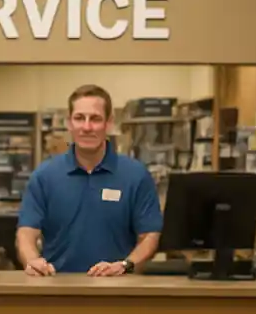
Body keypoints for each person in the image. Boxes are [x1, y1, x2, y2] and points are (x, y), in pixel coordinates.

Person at [16, 85, 163, 276]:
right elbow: (26, 234)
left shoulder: (136, 175)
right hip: (57, 291)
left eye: (95, 119)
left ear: (109, 123)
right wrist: (33, 261)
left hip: (118, 292)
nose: (86, 127)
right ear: (69, 123)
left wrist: (126, 265)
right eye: (79, 118)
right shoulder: (45, 176)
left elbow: (149, 236)